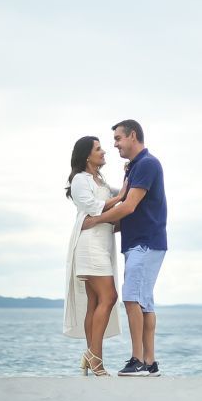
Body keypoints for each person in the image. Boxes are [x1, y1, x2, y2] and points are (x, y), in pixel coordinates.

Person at [81, 119, 167, 377]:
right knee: (144, 303)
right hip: (142, 242)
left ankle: (138, 361)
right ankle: (150, 362)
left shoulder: (146, 164)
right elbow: (130, 208)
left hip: (144, 243)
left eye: (118, 139)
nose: (115, 145)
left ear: (132, 136)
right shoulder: (135, 167)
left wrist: (95, 220)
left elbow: (128, 207)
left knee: (131, 299)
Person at [62, 135, 126, 376]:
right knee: (109, 297)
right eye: (99, 149)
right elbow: (92, 207)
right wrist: (119, 199)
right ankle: (94, 356)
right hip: (89, 245)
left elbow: (121, 196)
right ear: (87, 155)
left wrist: (127, 187)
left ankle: (92, 355)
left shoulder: (99, 179)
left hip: (102, 243)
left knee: (95, 302)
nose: (104, 152)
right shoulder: (80, 179)